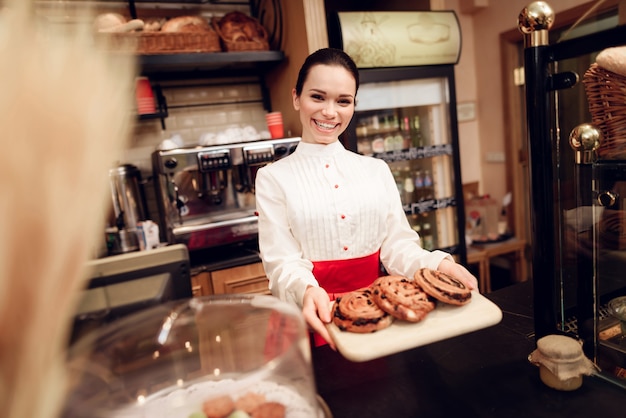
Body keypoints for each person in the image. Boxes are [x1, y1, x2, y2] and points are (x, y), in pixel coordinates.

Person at [255, 48, 478, 349]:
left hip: (379, 316)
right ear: (296, 97)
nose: (330, 112)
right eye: (317, 97)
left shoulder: (376, 171)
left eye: (343, 101)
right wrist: (307, 290)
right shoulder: (272, 178)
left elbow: (397, 247)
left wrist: (437, 265)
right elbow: (282, 263)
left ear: (354, 105)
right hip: (310, 318)